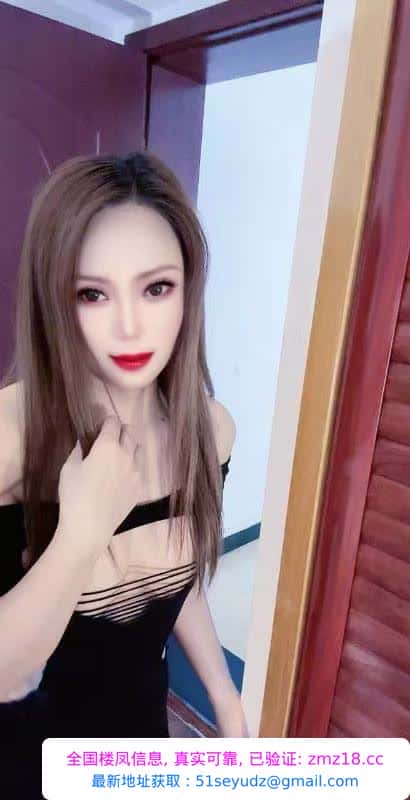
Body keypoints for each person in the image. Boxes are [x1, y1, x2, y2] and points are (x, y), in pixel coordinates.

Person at [0, 151, 249, 797]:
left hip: (137, 744)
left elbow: (171, 571)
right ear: (55, 300)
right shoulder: (12, 439)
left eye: (156, 287)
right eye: (92, 293)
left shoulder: (209, 431)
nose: (130, 326)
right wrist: (82, 531)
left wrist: (225, 698)